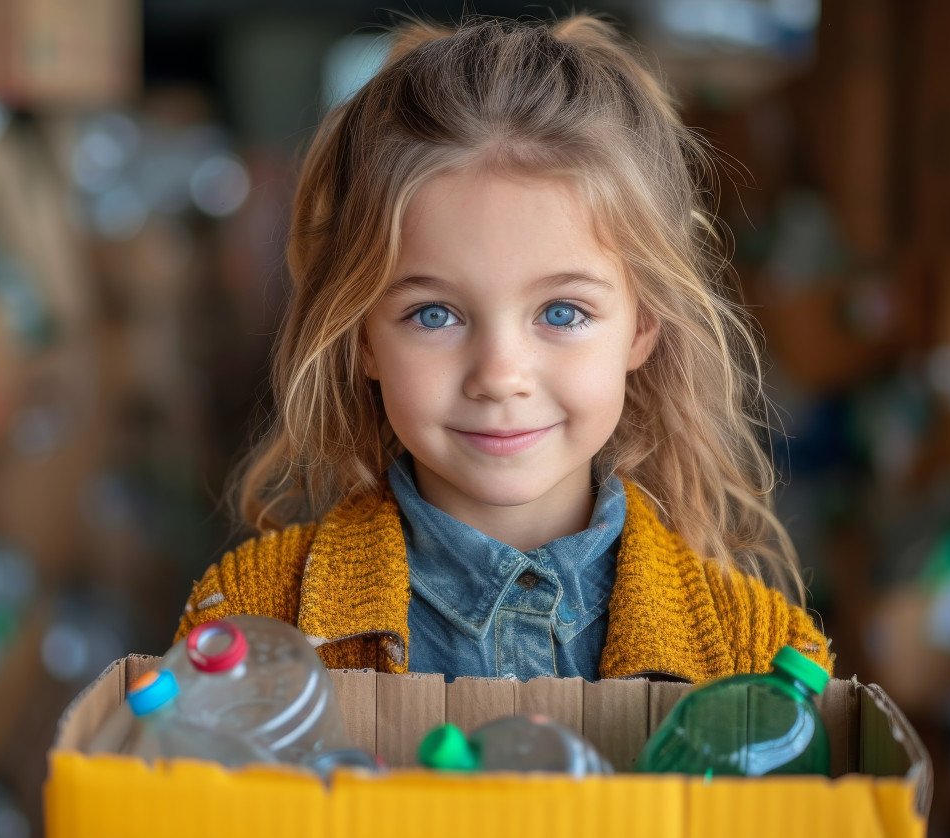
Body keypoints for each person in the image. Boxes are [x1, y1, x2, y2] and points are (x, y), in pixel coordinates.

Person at [175, 14, 833, 683]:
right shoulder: (250, 625)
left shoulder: (757, 659)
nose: (499, 375)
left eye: (562, 311)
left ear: (643, 325)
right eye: (434, 314)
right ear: (362, 336)